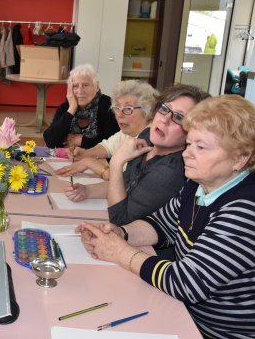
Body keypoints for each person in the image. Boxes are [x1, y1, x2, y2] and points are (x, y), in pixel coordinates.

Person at [75, 95, 255, 339]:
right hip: (182, 313)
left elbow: (186, 283)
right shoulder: (198, 185)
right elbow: (161, 224)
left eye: (200, 147)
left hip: (215, 332)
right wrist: (121, 233)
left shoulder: (245, 209)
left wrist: (118, 251)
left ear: (240, 158)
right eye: (189, 144)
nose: (186, 154)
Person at [65, 84, 210, 226]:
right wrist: (88, 190)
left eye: (178, 117)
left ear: (192, 131)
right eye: (164, 109)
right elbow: (126, 184)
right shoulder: (147, 137)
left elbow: (120, 219)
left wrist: (116, 162)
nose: (164, 120)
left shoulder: (171, 170)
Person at [55, 80, 157, 180]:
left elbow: (124, 179)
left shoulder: (149, 139)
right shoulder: (128, 132)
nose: (119, 115)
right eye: (117, 108)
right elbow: (107, 147)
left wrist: (88, 162)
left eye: (128, 109)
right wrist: (86, 153)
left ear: (147, 111)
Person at [43, 63, 119, 149]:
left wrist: (81, 141)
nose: (80, 91)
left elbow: (113, 143)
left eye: (85, 85)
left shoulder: (108, 105)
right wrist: (72, 109)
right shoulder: (66, 106)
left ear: (97, 86)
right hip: (68, 159)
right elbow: (50, 141)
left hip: (99, 160)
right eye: (75, 86)